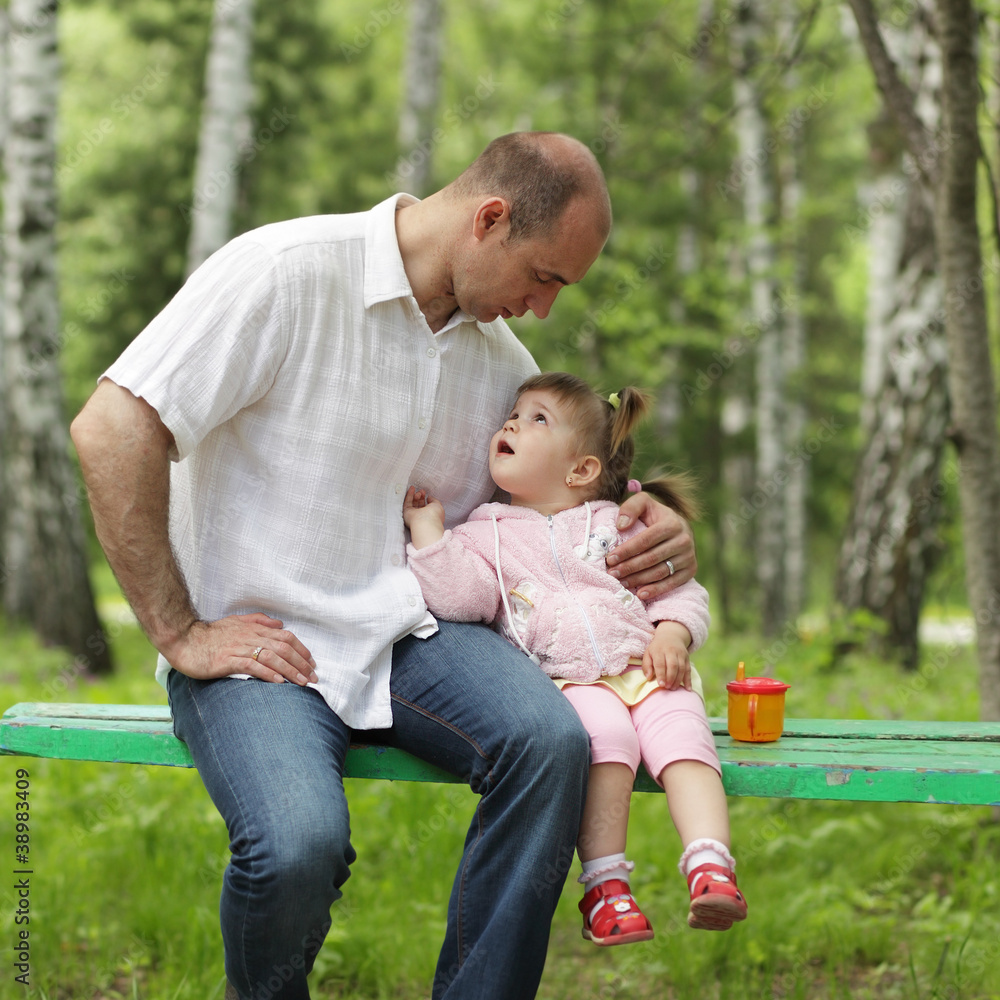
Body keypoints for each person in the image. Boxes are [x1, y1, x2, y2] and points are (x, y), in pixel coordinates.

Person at [69, 132, 698, 1000]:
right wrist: (179, 631)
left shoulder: (502, 366)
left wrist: (657, 518)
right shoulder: (284, 272)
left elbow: (565, 496)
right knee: (295, 845)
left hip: (416, 634)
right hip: (260, 646)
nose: (543, 308)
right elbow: (110, 427)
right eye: (545, 277)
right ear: (489, 220)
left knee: (550, 742)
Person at [403, 371, 747, 946]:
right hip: (567, 679)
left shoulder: (619, 524)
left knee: (687, 743)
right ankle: (606, 888)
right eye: (513, 413)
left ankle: (712, 866)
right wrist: (430, 535)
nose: (511, 423)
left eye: (537, 419)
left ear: (581, 470)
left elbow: (681, 591)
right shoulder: (485, 535)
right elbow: (463, 600)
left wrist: (672, 636)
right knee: (608, 745)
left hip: (651, 668)